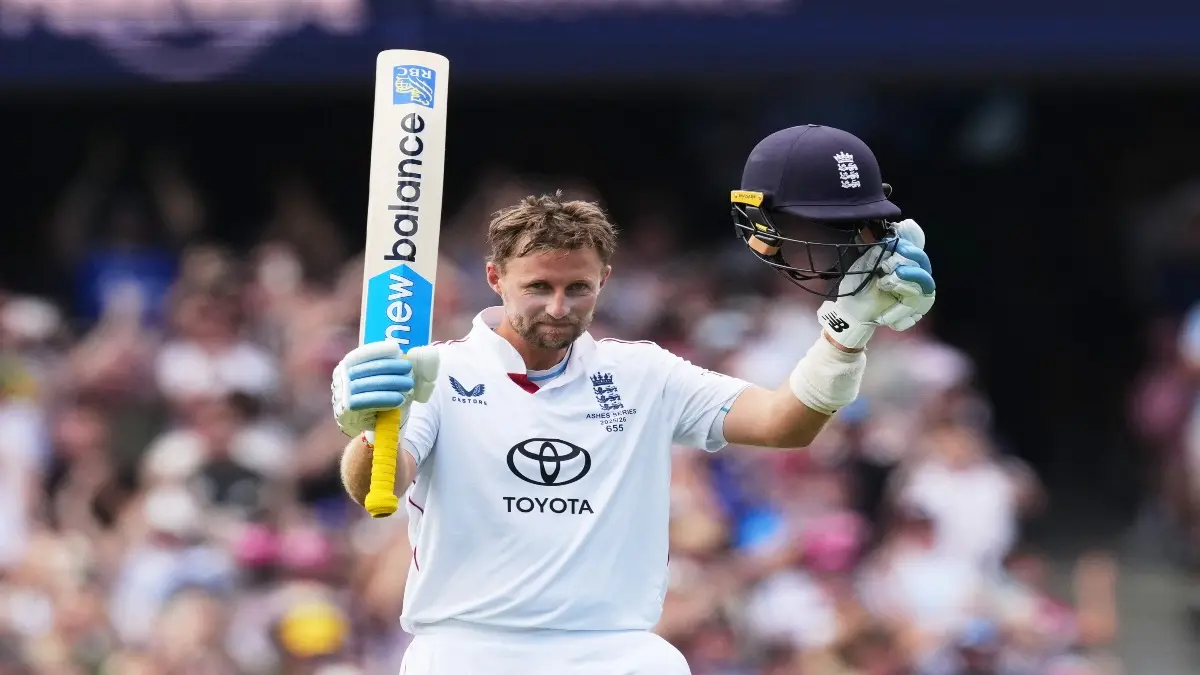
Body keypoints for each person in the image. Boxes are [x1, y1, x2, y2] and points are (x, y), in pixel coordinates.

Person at [329, 124, 937, 674]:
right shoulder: (433, 372)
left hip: (615, 650)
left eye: (578, 288)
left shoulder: (642, 373)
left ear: (606, 281)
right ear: (495, 278)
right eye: (538, 287)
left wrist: (848, 332)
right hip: (467, 650)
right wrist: (369, 429)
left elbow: (784, 424)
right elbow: (374, 490)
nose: (559, 308)